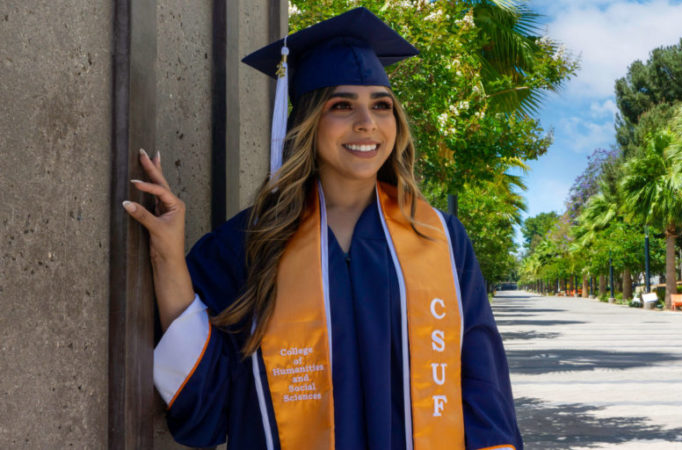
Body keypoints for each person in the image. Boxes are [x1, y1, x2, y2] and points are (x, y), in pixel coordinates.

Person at [123, 7, 521, 450]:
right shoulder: (249, 242)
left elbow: (482, 381)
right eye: (342, 105)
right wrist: (166, 257)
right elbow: (208, 398)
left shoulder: (441, 240)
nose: (367, 122)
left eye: (381, 105)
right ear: (308, 122)